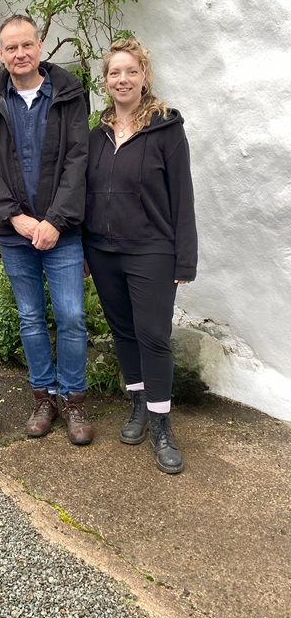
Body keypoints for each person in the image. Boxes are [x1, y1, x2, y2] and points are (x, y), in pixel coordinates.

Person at [0, 15, 93, 445]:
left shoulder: (68, 93)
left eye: (27, 45)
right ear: (1, 54)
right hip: (14, 233)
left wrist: (54, 221)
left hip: (62, 231)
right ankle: (44, 398)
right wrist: (16, 218)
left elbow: (79, 159)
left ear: (40, 46)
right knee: (29, 318)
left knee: (72, 317)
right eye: (10, 48)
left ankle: (74, 401)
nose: (19, 54)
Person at [83, 37, 198, 474]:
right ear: (106, 80)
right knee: (124, 332)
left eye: (131, 71)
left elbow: (181, 196)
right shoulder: (96, 133)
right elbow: (87, 194)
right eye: (115, 72)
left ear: (144, 77)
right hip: (103, 250)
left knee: (153, 335)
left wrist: (183, 259)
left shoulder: (166, 128)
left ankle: (161, 422)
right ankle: (136, 403)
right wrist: (85, 251)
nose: (123, 79)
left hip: (152, 250)